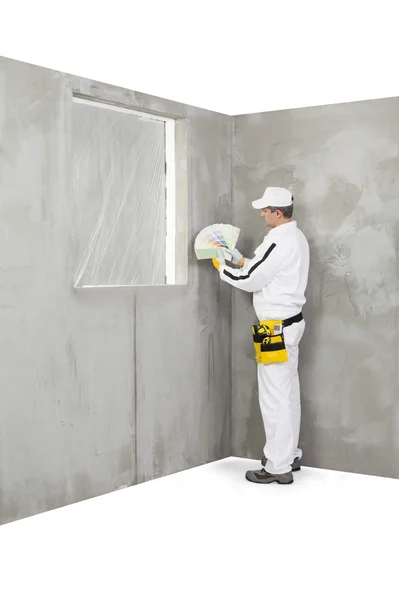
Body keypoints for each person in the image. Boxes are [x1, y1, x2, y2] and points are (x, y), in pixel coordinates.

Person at [212, 186, 310, 484]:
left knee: (274, 397)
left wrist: (222, 268)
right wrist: (241, 259)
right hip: (289, 324)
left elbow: (253, 280)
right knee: (288, 393)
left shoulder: (279, 241)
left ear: (278, 213)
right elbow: (268, 271)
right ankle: (289, 454)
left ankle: (277, 466)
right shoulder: (295, 236)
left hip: (274, 329)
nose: (261, 213)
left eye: (265, 209)